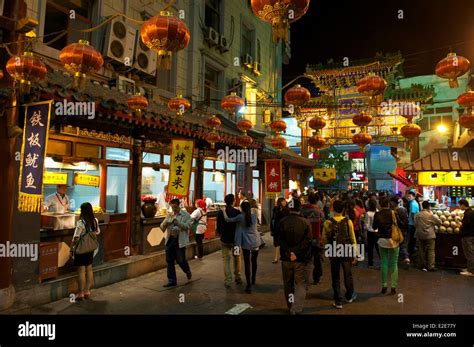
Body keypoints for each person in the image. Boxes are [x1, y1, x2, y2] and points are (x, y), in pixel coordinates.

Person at [277, 198, 313, 315]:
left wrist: (289, 252)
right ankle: (296, 308)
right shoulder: (305, 222)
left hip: (286, 258)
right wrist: (295, 252)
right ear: (299, 208)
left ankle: (290, 305)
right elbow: (307, 241)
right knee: (300, 284)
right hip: (300, 258)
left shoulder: (282, 221)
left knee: (288, 283)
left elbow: (279, 240)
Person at [322, 200, 358, 309]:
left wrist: (326, 251)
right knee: (348, 274)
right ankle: (349, 295)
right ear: (343, 210)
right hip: (346, 250)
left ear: (332, 209)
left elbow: (324, 239)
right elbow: (353, 239)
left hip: (333, 251)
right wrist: (355, 254)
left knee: (335, 276)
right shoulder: (348, 222)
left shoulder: (327, 222)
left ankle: (338, 301)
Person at [224, 201, 261, 293]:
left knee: (247, 263)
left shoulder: (240, 217)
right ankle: (253, 279)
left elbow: (228, 219)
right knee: (254, 261)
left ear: (242, 209)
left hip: (246, 243)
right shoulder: (254, 216)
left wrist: (223, 211)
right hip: (255, 241)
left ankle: (248, 285)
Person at [160, 199, 193, 287]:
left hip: (180, 241)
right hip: (170, 240)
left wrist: (179, 223)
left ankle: (187, 270)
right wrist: (166, 223)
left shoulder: (186, 215)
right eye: (172, 207)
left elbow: (188, 226)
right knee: (169, 261)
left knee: (180, 260)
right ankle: (172, 280)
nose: (173, 209)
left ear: (179, 205)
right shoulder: (170, 215)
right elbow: (161, 227)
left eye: (175, 207)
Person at [71, 202, 100, 300]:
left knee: (81, 271)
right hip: (90, 248)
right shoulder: (95, 220)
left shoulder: (80, 223)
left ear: (82, 211)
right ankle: (87, 291)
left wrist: (72, 248)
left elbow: (76, 238)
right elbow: (97, 232)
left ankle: (80, 293)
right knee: (89, 269)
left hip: (82, 248)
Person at [373, 197, 399, 295]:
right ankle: (393, 286)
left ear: (380, 204)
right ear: (388, 204)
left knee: (384, 262)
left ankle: (384, 285)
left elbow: (374, 227)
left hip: (382, 240)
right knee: (394, 263)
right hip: (393, 240)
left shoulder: (378, 214)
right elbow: (400, 224)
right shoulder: (393, 213)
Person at [216, 194, 242, 288]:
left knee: (226, 260)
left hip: (225, 240)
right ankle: (237, 277)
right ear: (233, 201)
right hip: (235, 240)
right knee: (237, 258)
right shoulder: (237, 212)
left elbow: (218, 227)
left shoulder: (220, 212)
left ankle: (228, 281)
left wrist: (221, 233)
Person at [301, 193, 325, 284]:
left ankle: (304, 277)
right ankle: (316, 278)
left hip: (305, 238)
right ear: (316, 201)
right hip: (316, 238)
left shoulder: (303, 210)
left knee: (305, 259)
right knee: (317, 259)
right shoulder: (319, 211)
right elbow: (323, 222)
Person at [414, 201, 441, 272]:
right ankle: (430, 266)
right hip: (429, 235)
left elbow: (415, 224)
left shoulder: (417, 215)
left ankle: (422, 265)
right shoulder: (430, 215)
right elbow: (439, 222)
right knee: (431, 251)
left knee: (421, 251)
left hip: (419, 235)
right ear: (429, 207)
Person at [390, 197, 409, 265]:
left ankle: (395, 260)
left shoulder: (394, 211)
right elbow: (407, 220)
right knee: (403, 244)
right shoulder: (404, 209)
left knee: (396, 244)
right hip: (404, 229)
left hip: (396, 230)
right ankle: (406, 258)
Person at [271, 197, 289, 264]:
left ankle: (284, 256)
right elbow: (273, 219)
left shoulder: (287, 210)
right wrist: (272, 229)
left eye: (284, 201)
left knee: (284, 243)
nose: (284, 202)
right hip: (277, 228)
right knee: (277, 244)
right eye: (283, 201)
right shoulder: (275, 209)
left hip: (284, 229)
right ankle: (276, 258)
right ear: (279, 202)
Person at [459, 199, 474, 276]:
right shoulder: (471, 212)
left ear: (463, 205)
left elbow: (466, 225)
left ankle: (471, 271)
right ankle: (470, 268)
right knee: (470, 252)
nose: (459, 207)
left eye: (460, 205)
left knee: (469, 253)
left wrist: (460, 225)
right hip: (471, 235)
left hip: (468, 236)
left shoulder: (468, 213)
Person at [365, 199, 379, 267]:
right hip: (377, 232)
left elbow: (367, 225)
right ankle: (382, 261)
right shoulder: (377, 212)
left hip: (370, 232)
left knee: (370, 248)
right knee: (377, 247)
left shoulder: (368, 213)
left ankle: (370, 263)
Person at [406, 191, 420, 258]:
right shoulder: (412, 203)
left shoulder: (413, 204)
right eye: (408, 196)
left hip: (412, 224)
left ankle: (410, 253)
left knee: (411, 239)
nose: (409, 197)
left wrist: (415, 223)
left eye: (410, 196)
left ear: (414, 197)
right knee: (412, 239)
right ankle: (410, 252)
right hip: (411, 223)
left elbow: (413, 214)